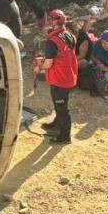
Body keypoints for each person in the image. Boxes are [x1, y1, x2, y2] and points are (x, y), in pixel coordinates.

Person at [35, 10, 78, 144]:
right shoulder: (69, 35)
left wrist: (39, 66)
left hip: (59, 79)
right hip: (68, 76)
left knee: (62, 107)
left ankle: (65, 136)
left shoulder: (52, 41)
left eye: (50, 19)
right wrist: (45, 59)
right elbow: (61, 56)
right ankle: (56, 124)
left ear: (53, 22)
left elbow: (49, 63)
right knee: (59, 104)